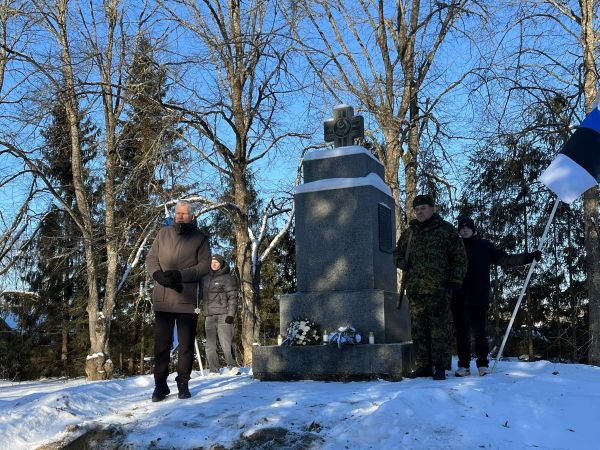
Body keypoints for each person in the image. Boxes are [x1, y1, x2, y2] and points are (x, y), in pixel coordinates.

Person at [452, 217, 541, 377]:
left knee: (479, 333)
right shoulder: (454, 246)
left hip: (478, 296)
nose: (464, 230)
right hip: (459, 296)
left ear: (474, 229)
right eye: (461, 228)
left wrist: (529, 257)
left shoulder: (484, 246)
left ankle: (482, 364)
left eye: (467, 227)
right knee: (461, 333)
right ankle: (464, 365)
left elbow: (505, 259)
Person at [394, 194, 467, 380]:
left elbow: (459, 257)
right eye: (417, 209)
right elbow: (397, 252)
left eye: (423, 208)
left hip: (439, 290)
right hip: (416, 290)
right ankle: (424, 366)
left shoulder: (446, 230)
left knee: (439, 329)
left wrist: (455, 280)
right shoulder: (410, 233)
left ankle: (440, 366)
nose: (419, 212)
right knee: (419, 330)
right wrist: (400, 262)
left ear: (433, 209)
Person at [147, 201, 211, 401]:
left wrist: (179, 275)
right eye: (177, 213)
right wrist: (157, 275)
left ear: (192, 216)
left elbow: (204, 267)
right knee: (161, 346)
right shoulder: (162, 233)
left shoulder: (200, 238)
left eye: (184, 213)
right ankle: (160, 385)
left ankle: (183, 383)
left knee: (186, 346)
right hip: (163, 298)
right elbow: (151, 258)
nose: (180, 216)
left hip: (187, 299)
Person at [202, 254, 239, 374]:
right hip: (209, 316)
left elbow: (233, 297)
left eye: (216, 262)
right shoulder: (204, 277)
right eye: (212, 262)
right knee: (210, 345)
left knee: (226, 343)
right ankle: (214, 369)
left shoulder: (227, 278)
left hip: (224, 315)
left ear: (221, 264)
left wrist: (231, 315)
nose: (213, 264)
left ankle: (232, 366)